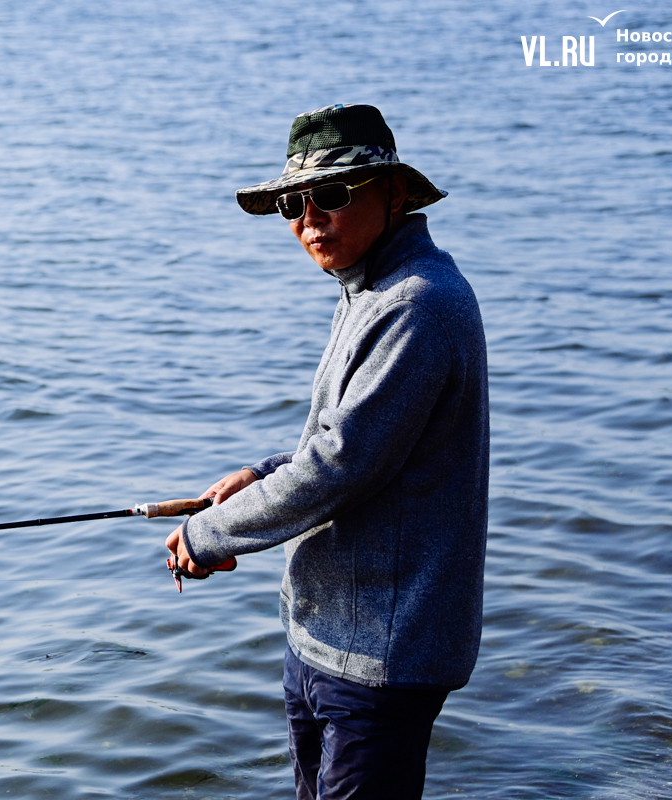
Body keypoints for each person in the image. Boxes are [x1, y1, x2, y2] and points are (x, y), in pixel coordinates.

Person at [164, 103, 489, 800]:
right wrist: (258, 476)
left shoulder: (415, 305)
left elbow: (338, 468)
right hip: (326, 635)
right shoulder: (367, 291)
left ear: (394, 192)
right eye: (293, 202)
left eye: (333, 195)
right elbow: (345, 445)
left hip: (380, 655)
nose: (310, 218)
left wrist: (209, 532)